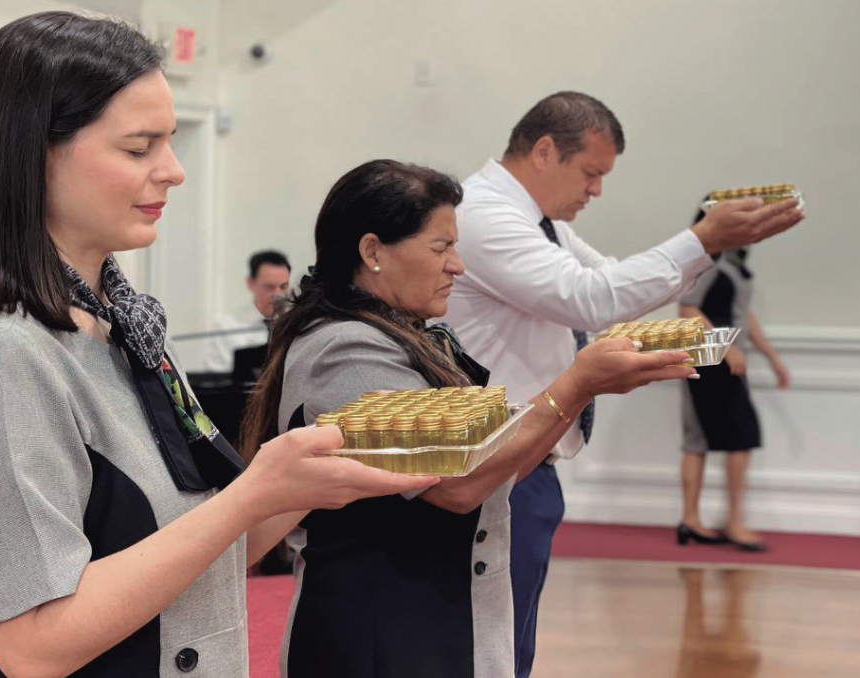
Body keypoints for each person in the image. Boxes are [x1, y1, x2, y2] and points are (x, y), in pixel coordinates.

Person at [0, 13, 435, 677]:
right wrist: (251, 494)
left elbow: (203, 554)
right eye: (139, 148)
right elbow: (33, 646)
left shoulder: (124, 326)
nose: (174, 171)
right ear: (31, 153)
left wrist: (312, 472)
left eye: (171, 142)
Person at [239, 159, 699, 678]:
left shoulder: (404, 332)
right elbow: (454, 486)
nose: (457, 265)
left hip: (429, 620)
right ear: (372, 252)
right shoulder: (344, 348)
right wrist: (576, 384)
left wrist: (573, 393)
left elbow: (493, 465)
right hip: (378, 634)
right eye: (442, 248)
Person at [439, 91, 805, 677]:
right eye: (591, 173)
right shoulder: (483, 213)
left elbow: (607, 279)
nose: (597, 191)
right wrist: (701, 239)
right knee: (488, 648)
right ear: (543, 151)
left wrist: (700, 253)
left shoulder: (539, 220)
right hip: (493, 459)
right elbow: (589, 299)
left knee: (509, 644)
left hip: (530, 456)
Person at [678, 234, 790, 552]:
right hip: (713, 359)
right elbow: (687, 309)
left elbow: (744, 314)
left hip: (722, 358)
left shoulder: (735, 262)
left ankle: (691, 520)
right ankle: (731, 521)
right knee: (738, 435)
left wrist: (772, 358)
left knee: (701, 437)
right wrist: (726, 349)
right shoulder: (709, 259)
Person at [202, 250, 292, 373]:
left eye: (283, 287)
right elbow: (216, 378)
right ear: (250, 283)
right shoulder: (227, 327)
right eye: (269, 287)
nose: (278, 294)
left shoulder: (295, 325)